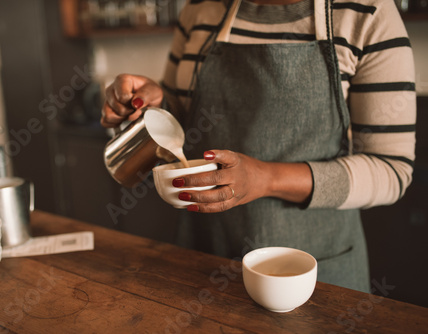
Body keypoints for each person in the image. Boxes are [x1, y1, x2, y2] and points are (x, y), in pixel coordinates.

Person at [101, 0, 416, 293]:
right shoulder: (200, 9)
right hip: (203, 257)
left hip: (310, 273)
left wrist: (266, 178)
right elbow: (181, 124)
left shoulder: (366, 13)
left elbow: (391, 169)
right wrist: (150, 104)